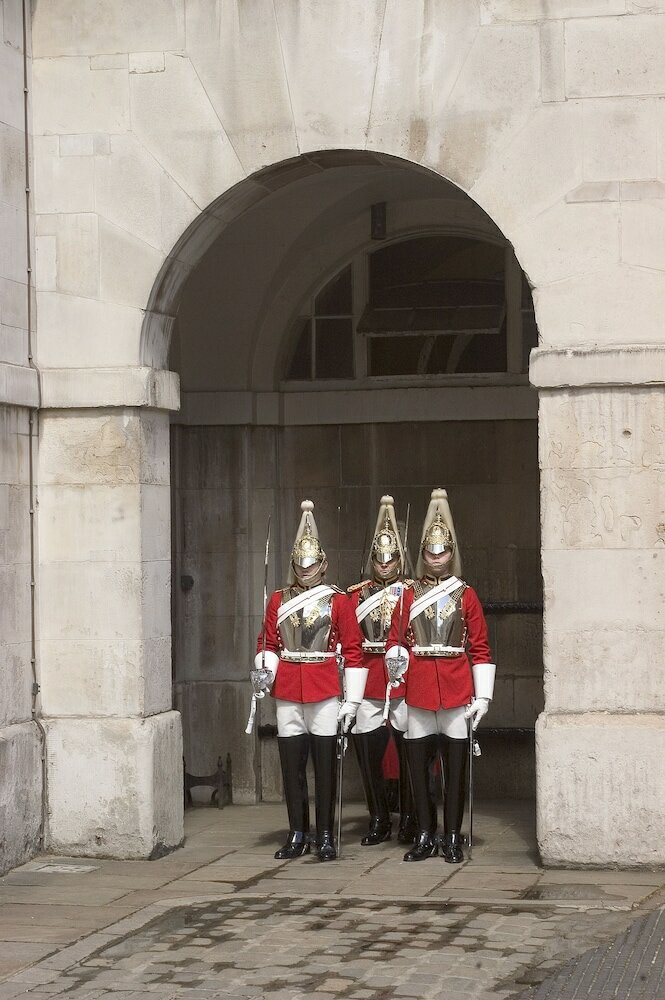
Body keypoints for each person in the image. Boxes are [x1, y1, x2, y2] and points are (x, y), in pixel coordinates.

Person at [252, 500, 366, 862]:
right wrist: (265, 667)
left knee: (325, 768)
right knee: (292, 767)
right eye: (301, 565)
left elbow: (354, 650)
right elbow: (268, 641)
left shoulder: (339, 601)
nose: (306, 570)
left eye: (312, 564)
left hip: (324, 689)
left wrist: (353, 701)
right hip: (288, 689)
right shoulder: (277, 600)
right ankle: (297, 832)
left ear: (323, 564)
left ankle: (326, 835)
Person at [386, 488, 496, 863]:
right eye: (430, 553)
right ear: (422, 555)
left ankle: (451, 836)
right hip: (417, 691)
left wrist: (482, 696)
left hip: (455, 690)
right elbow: (395, 641)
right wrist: (397, 662)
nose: (436, 559)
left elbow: (479, 649)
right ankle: (424, 833)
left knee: (455, 770)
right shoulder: (406, 594)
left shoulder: (466, 595)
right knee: (418, 771)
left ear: (452, 553)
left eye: (442, 552)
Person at [347, 496, 416, 846]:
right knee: (367, 752)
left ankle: (409, 816)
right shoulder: (356, 595)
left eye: (391, 558)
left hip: (402, 678)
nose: (385, 564)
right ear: (372, 559)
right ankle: (378, 817)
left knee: (409, 752)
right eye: (379, 558)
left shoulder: (413, 592)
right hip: (368, 675)